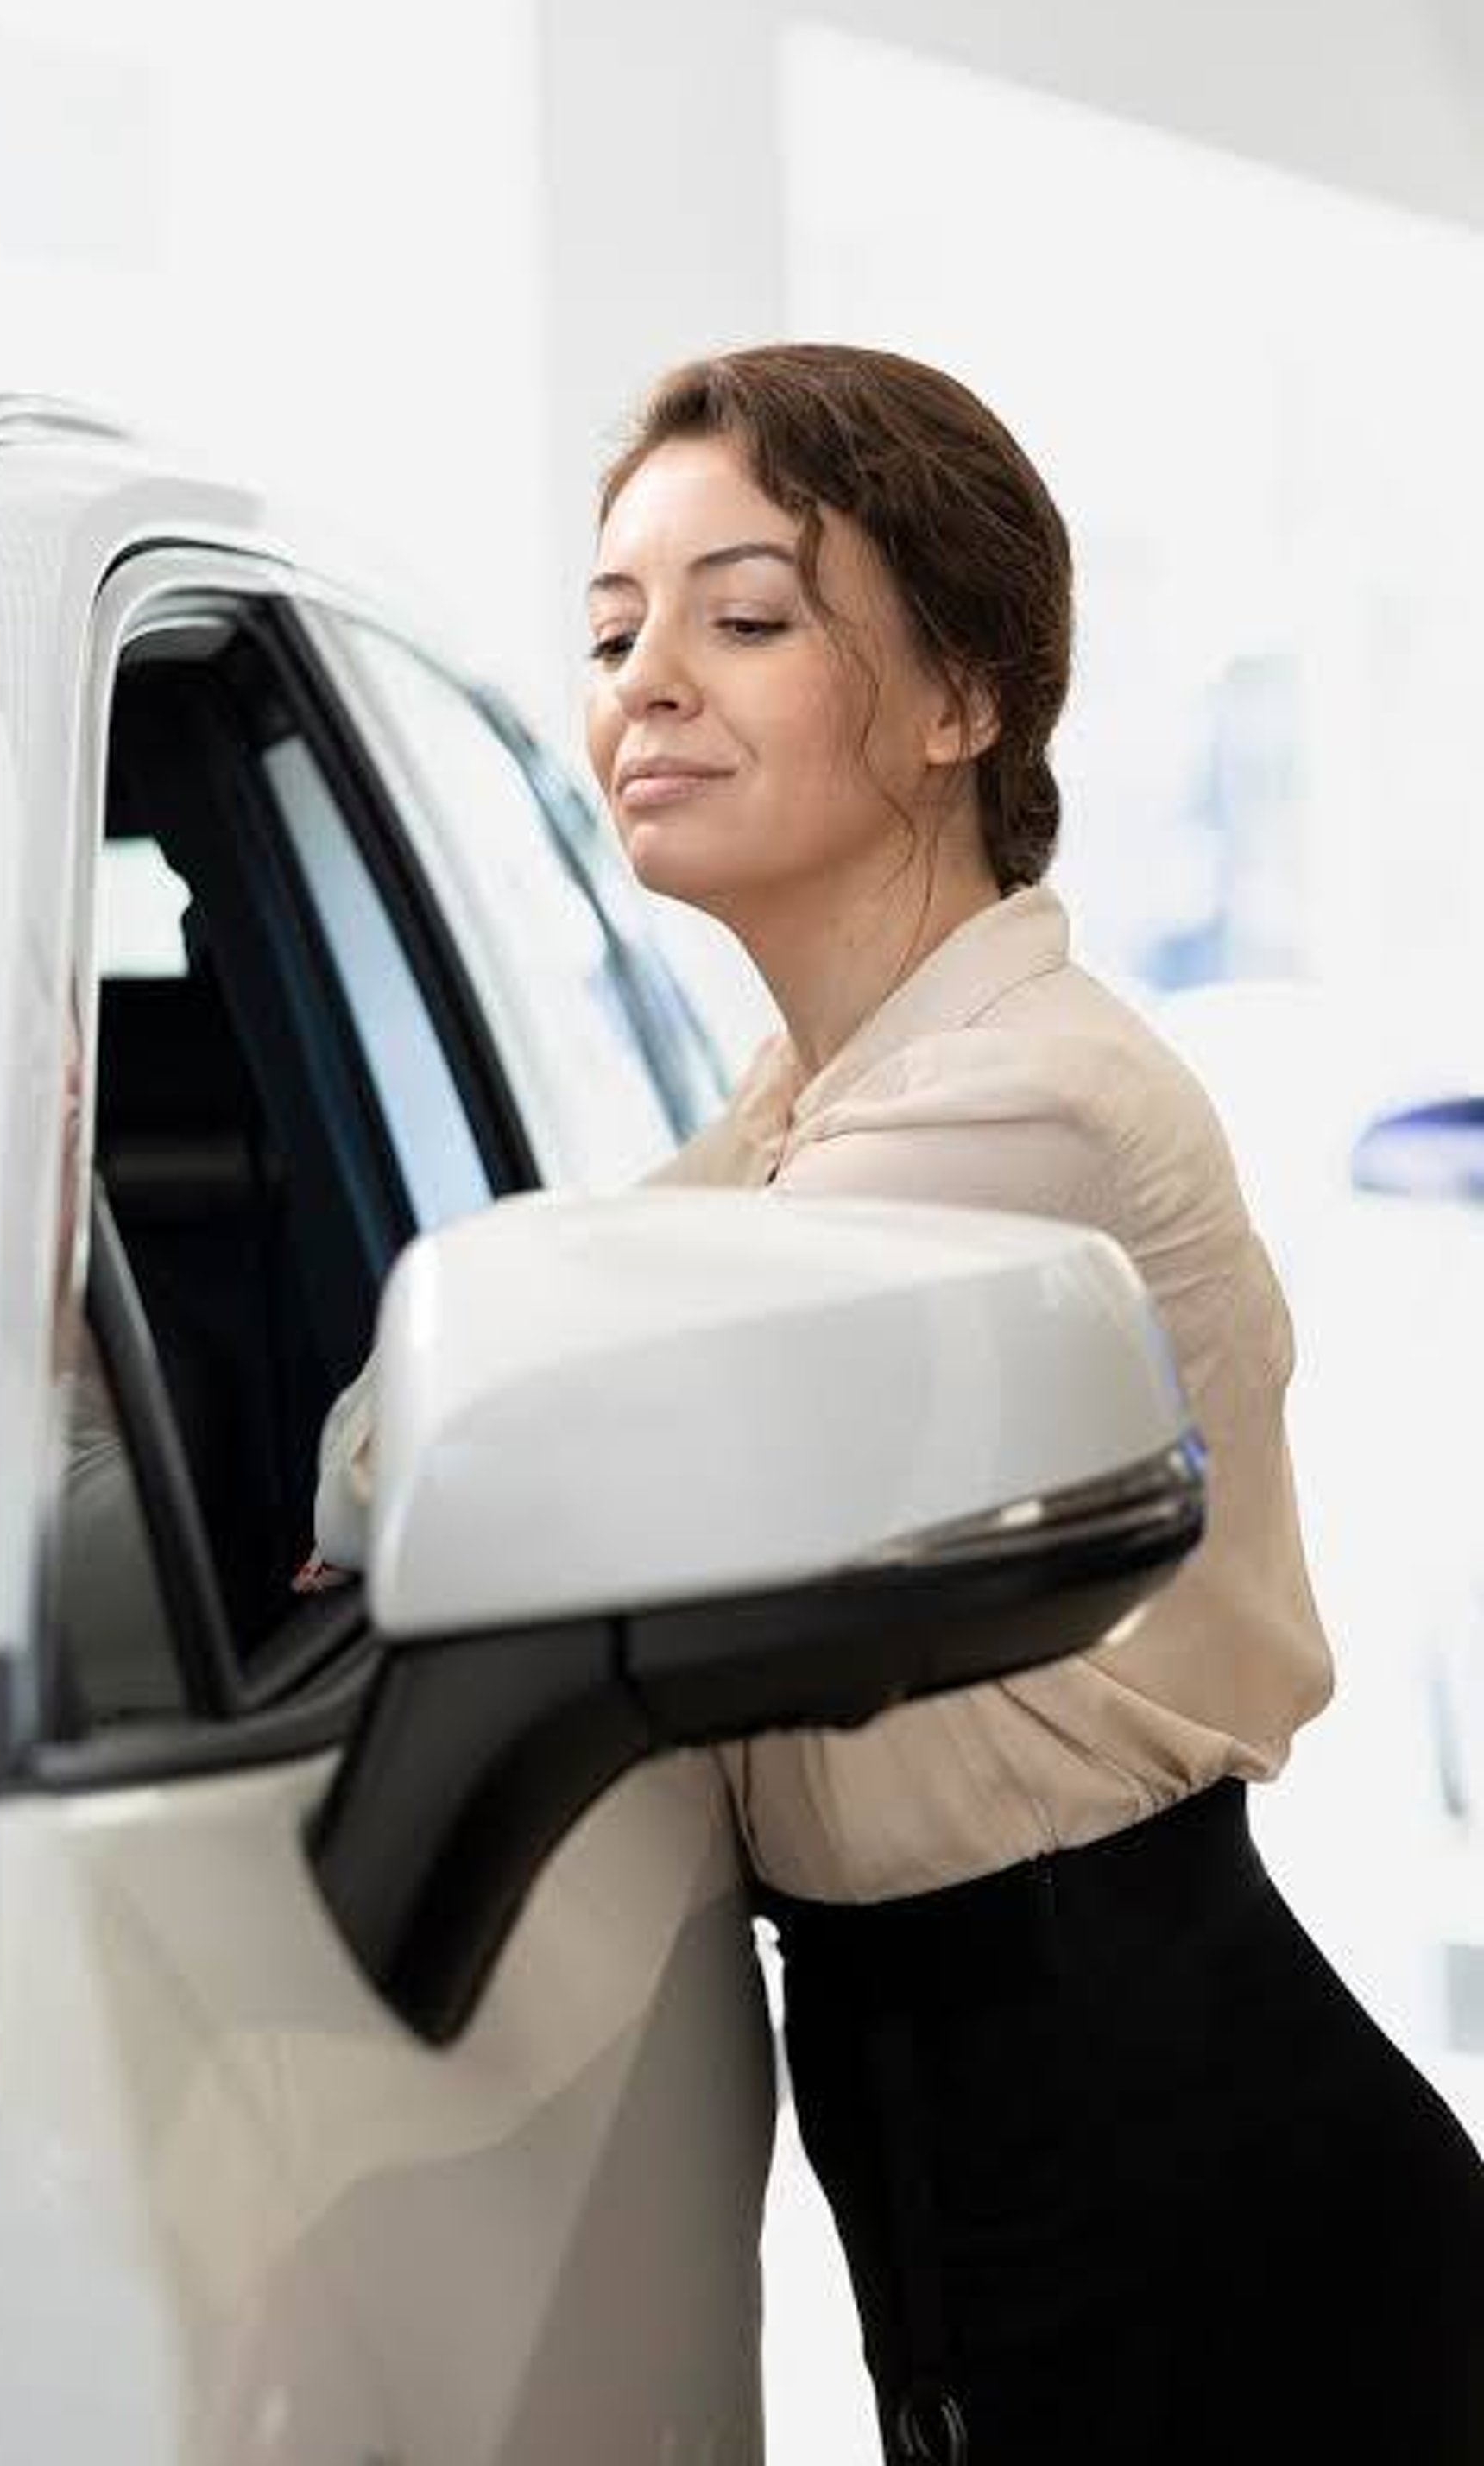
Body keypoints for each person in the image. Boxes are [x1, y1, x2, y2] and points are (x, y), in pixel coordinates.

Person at [313, 344, 1484, 2463]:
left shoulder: (1012, 1110)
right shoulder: (812, 1102)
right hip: (974, 2077)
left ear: (962, 704)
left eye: (744, 616)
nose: (645, 681)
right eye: (614, 627)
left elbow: (452, 1424)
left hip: (1150, 2117)